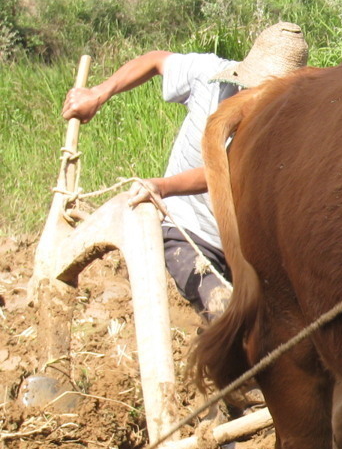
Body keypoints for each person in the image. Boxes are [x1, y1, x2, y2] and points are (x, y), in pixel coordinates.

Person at [61, 22, 309, 322]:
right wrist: (98, 94)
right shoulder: (210, 77)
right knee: (221, 310)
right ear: (244, 76)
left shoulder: (292, 124)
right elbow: (155, 60)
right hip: (190, 232)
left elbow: (228, 174)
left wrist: (164, 185)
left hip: (249, 249)